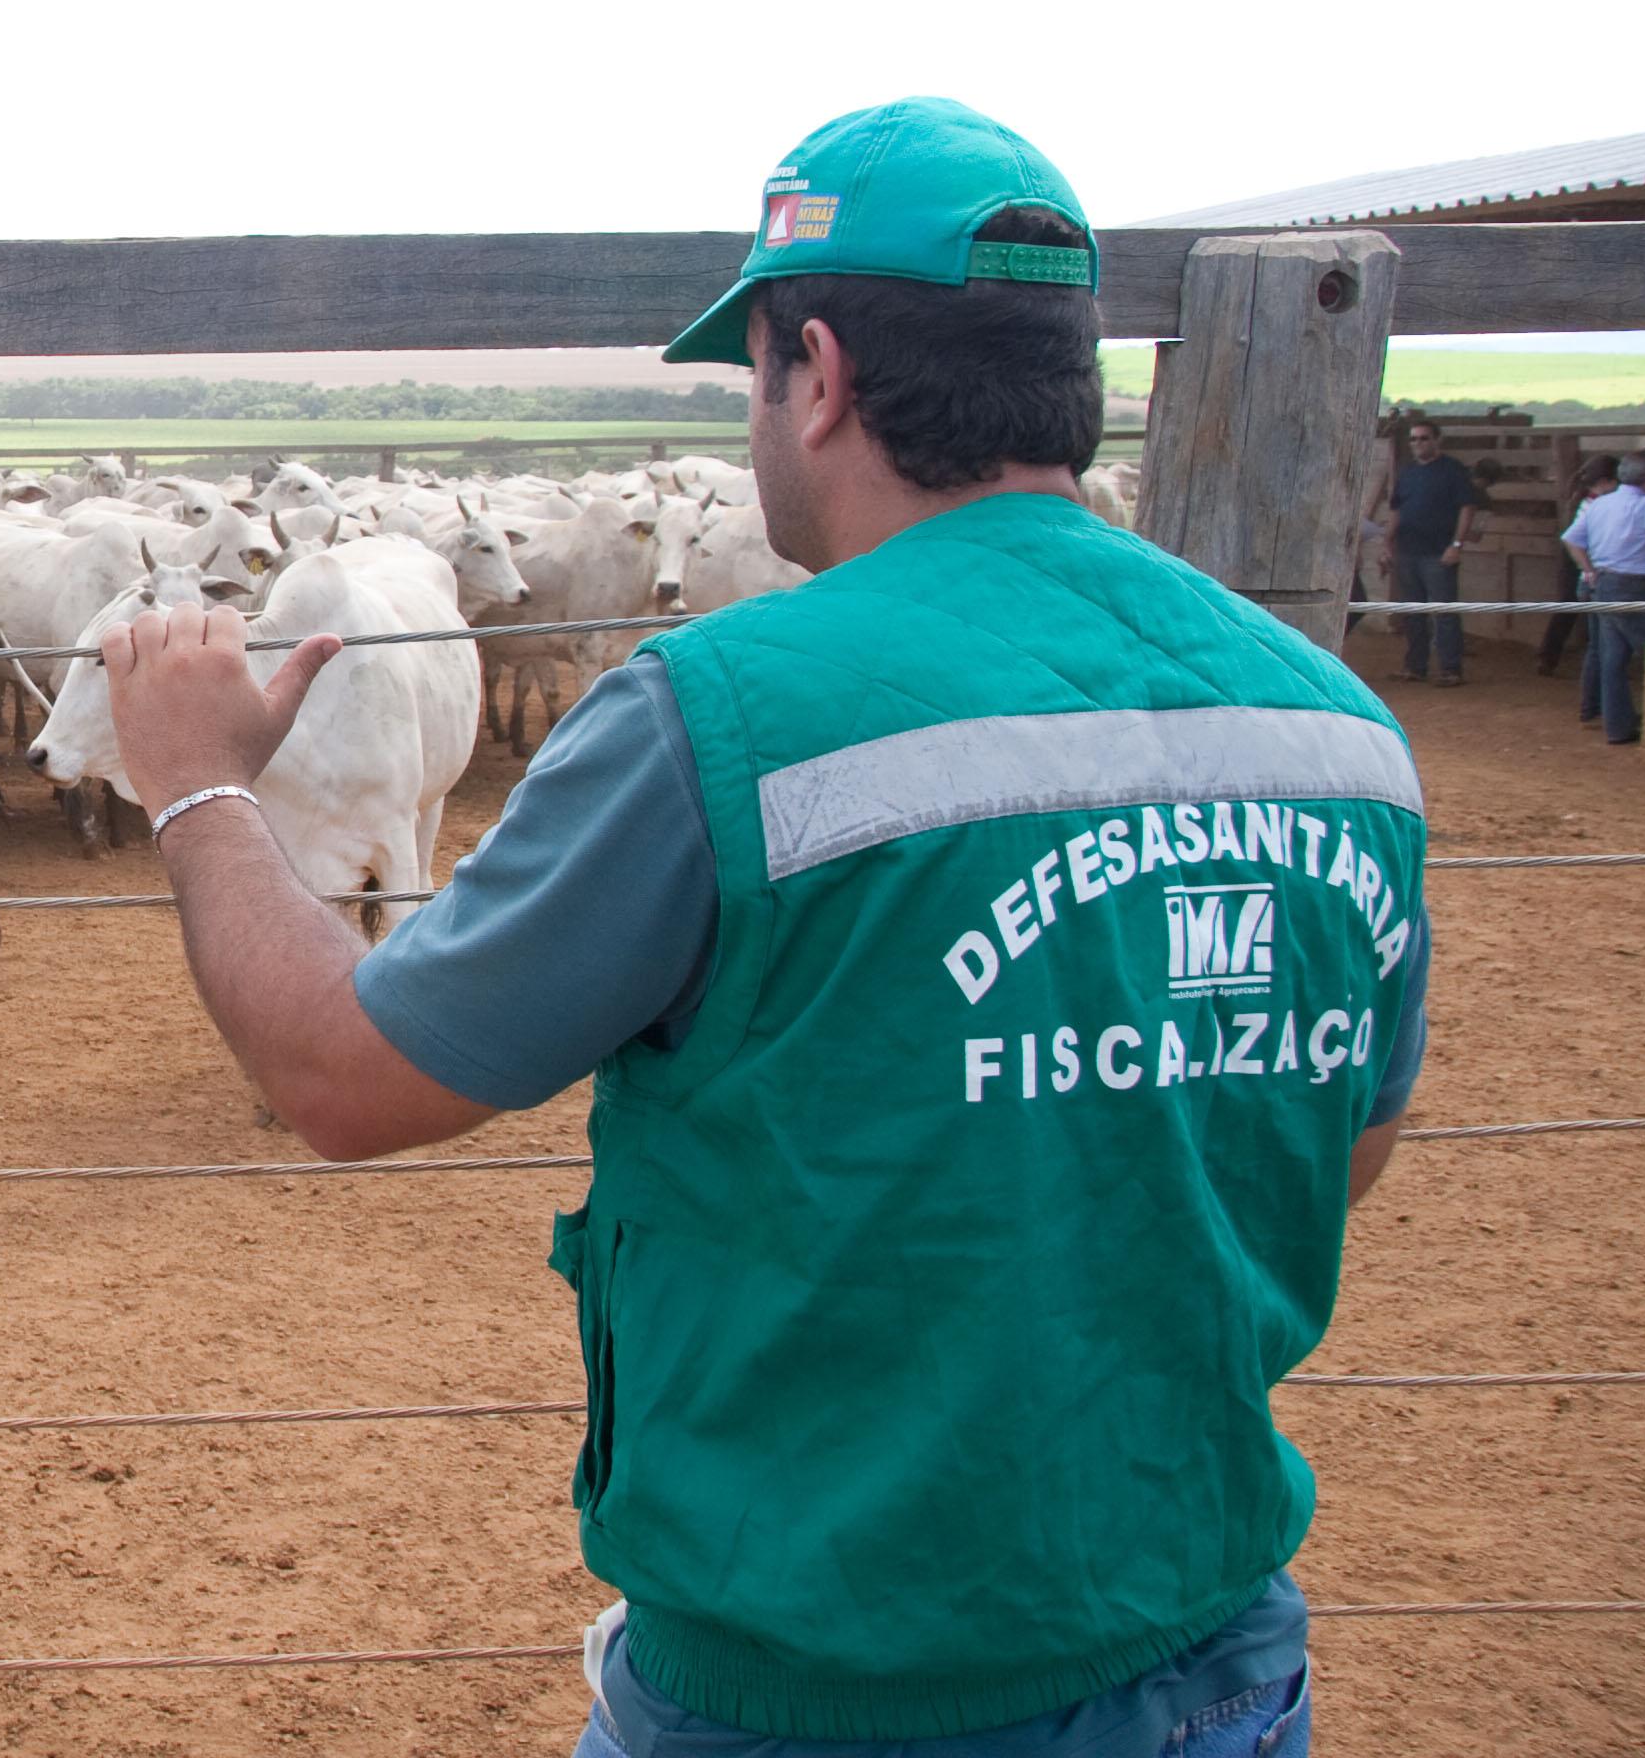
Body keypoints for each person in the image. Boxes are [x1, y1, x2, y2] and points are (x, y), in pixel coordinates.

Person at [100, 96, 1423, 1758]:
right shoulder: (1333, 729)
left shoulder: (718, 719)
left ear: (816, 376)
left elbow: (339, 1077)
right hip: (1212, 1665)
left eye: (750, 372)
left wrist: (195, 788)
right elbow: (1337, 1151)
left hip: (813, 1692)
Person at [1559, 453, 1645, 747]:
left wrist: (1588, 570)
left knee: (1612, 658)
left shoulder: (1600, 504)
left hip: (1603, 583)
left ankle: (1618, 726)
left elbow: (1571, 538)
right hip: (1635, 586)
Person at [1379, 421, 1484, 686]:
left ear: (1437, 440)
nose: (1418, 444)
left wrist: (1457, 545)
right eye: (1414, 440)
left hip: (1438, 552)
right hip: (1408, 550)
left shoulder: (1453, 471)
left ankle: (1451, 668)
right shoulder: (1408, 473)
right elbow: (1396, 511)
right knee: (1413, 611)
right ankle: (1415, 666)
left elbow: (1467, 508)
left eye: (1424, 438)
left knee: (1444, 611)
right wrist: (1387, 544)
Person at [1539, 456, 1622, 676]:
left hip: (1578, 557)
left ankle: (1549, 656)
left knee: (1569, 607)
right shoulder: (1596, 502)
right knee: (1578, 609)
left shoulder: (1583, 498)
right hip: (1587, 558)